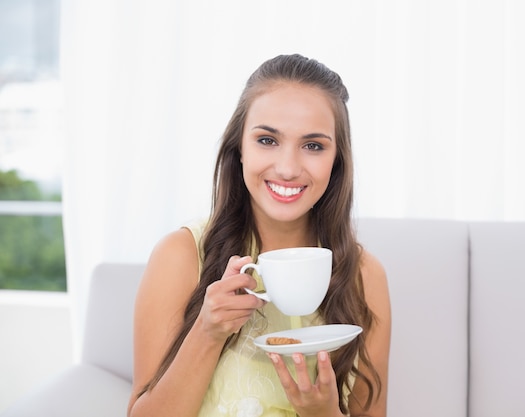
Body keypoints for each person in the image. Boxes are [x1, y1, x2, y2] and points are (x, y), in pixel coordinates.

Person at [127, 54, 391, 417]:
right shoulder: (182, 255)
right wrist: (208, 332)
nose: (286, 168)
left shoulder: (365, 276)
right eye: (267, 140)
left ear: (337, 162)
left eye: (313, 145)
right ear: (239, 149)